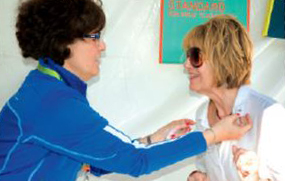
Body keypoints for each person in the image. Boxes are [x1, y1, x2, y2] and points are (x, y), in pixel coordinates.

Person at [0, 1, 252, 180]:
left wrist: (153, 139)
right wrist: (215, 135)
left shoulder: (50, 89)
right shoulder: (52, 103)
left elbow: (99, 161)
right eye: (95, 36)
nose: (103, 46)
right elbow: (135, 161)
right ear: (64, 40)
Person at [184, 15, 285, 181]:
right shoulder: (202, 115)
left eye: (195, 56)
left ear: (221, 59)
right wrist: (201, 177)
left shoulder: (269, 114)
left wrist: (254, 177)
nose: (186, 65)